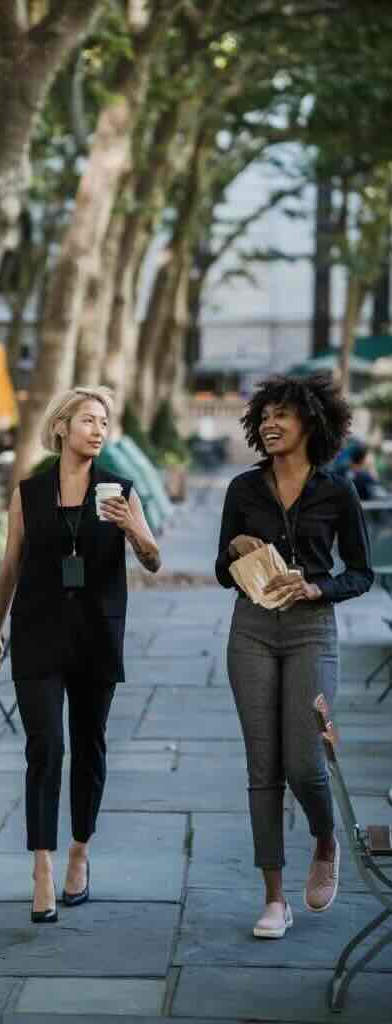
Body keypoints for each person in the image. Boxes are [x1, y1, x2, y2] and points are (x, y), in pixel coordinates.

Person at [0, 386, 161, 923]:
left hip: (95, 634)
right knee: (45, 749)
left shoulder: (120, 491)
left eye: (104, 422)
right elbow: (11, 564)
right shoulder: (29, 494)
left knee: (89, 745)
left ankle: (79, 852)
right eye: (88, 419)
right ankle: (42, 865)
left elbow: (153, 560)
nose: (99, 430)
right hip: (37, 630)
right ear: (61, 426)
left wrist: (132, 527)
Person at [216, 374, 373, 940]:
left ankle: (326, 837)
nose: (271, 424)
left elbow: (362, 573)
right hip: (251, 628)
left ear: (311, 422)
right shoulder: (243, 488)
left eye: (282, 414)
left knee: (305, 761)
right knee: (263, 768)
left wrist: (316, 588)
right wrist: (237, 548)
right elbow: (219, 570)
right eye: (264, 417)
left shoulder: (337, 490)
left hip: (311, 630)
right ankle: (274, 899)